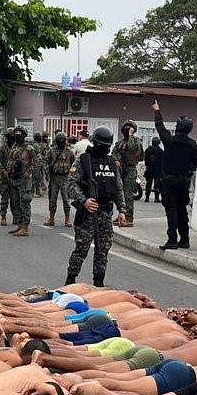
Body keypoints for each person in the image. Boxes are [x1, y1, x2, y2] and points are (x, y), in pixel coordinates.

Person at [65, 127, 127, 288]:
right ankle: (70, 280)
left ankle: (98, 282)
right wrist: (84, 200)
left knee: (103, 250)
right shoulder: (83, 161)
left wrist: (122, 210)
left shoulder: (111, 163)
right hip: (88, 214)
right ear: (94, 143)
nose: (105, 149)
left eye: (107, 146)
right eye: (102, 145)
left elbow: (118, 188)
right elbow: (71, 184)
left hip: (106, 214)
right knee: (81, 249)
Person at [152, 101, 197, 250]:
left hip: (169, 180)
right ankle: (185, 239)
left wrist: (157, 111)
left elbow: (160, 127)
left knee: (171, 210)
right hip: (183, 181)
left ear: (179, 127)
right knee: (182, 210)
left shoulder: (170, 140)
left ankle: (172, 239)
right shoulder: (193, 144)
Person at [111, 120, 142, 226]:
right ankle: (122, 214)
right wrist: (116, 160)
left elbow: (133, 148)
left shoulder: (136, 141)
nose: (127, 130)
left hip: (130, 170)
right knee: (121, 194)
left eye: (129, 129)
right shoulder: (121, 142)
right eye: (126, 129)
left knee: (128, 195)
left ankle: (128, 218)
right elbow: (114, 152)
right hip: (121, 169)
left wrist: (131, 135)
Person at [7, 125, 35, 237]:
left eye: (20, 134)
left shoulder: (29, 149)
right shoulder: (14, 147)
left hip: (24, 180)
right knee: (16, 203)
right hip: (14, 179)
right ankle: (19, 225)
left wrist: (29, 172)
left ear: (24, 135)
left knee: (25, 203)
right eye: (16, 134)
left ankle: (25, 228)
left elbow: (37, 162)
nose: (18, 136)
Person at [44, 131, 75, 227]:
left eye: (63, 141)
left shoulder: (69, 152)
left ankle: (67, 219)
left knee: (66, 199)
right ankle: (51, 218)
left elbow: (74, 165)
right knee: (52, 199)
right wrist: (47, 173)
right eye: (60, 141)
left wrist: (72, 175)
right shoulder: (52, 151)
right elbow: (46, 162)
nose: (61, 143)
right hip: (54, 178)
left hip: (65, 178)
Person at [0, 128, 14, 226]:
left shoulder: (17, 148)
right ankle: (3, 216)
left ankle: (16, 216)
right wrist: (3, 171)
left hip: (15, 177)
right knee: (5, 198)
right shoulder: (2, 148)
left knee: (15, 199)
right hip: (5, 178)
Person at [144, 136, 163, 204]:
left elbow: (145, 159)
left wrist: (147, 165)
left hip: (149, 169)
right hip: (157, 170)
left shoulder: (148, 150)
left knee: (148, 183)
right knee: (157, 184)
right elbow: (162, 161)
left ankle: (147, 198)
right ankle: (156, 198)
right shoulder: (160, 151)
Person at [31, 131, 46, 197]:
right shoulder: (35, 145)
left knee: (39, 178)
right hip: (36, 165)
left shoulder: (37, 144)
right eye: (40, 137)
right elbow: (37, 154)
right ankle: (33, 192)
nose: (41, 138)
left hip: (39, 164)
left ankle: (38, 191)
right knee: (35, 179)